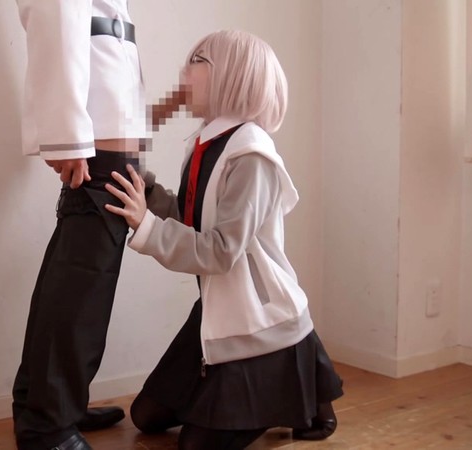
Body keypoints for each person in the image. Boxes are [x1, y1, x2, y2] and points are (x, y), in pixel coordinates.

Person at [104, 30, 344, 450]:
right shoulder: (206, 144)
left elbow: (220, 251)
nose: (184, 71)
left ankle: (296, 399)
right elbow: (193, 220)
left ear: (231, 76)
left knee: (194, 447)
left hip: (256, 319)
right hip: (217, 309)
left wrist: (146, 225)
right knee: (145, 417)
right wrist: (147, 192)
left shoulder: (251, 156)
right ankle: (288, 397)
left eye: (197, 62)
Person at [11, 2, 183, 449]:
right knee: (82, 289)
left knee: (70, 279)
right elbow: (55, 11)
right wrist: (66, 131)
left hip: (105, 116)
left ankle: (46, 404)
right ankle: (49, 425)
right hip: (95, 125)